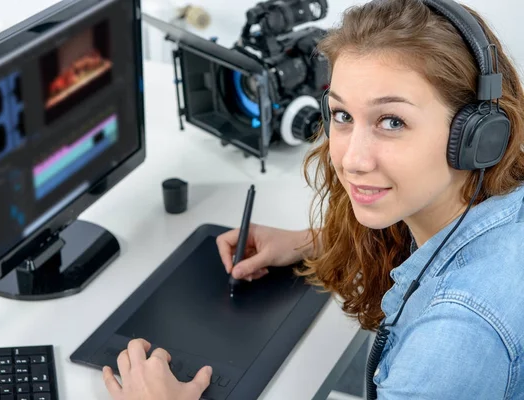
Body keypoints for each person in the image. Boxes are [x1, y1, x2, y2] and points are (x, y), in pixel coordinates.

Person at [102, 0, 524, 398]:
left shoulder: (453, 339)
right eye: (342, 115)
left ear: (477, 137)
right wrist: (311, 241)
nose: (352, 160)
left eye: (391, 121)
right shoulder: (501, 201)